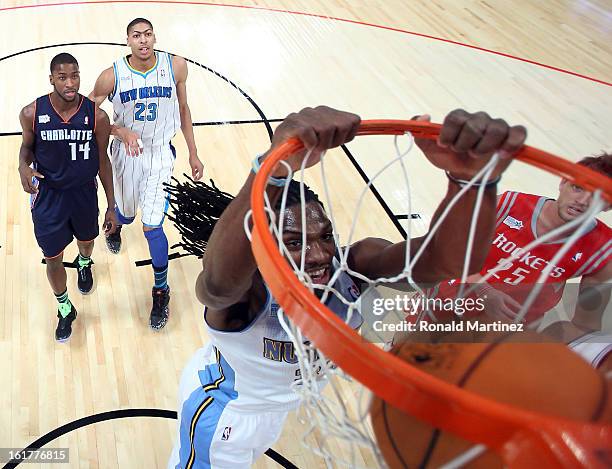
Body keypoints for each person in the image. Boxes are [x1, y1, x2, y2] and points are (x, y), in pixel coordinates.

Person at [167, 106, 527, 468]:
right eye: (294, 242)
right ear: (265, 244)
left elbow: (447, 262)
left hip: (276, 408)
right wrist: (271, 170)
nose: (319, 253)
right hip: (226, 413)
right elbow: (214, 287)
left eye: (325, 236)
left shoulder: (353, 268)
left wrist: (471, 182)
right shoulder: (250, 291)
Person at [89, 17, 204, 330]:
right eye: (136, 36)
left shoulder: (176, 66)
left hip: (159, 156)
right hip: (125, 155)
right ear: (128, 40)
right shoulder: (111, 76)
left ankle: (161, 289)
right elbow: (87, 116)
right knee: (125, 215)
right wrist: (118, 130)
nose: (143, 40)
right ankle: (115, 227)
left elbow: (183, 108)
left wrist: (193, 152)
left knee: (153, 226)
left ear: (154, 37)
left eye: (148, 34)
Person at [17, 52, 117, 342]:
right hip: (48, 197)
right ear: (52, 80)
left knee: (87, 242)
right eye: (62, 77)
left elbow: (103, 161)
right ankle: (64, 308)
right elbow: (26, 149)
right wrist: (22, 166)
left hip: (84, 194)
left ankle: (84, 264)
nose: (70, 83)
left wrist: (111, 205)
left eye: (75, 75)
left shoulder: (96, 116)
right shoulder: (31, 113)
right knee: (53, 258)